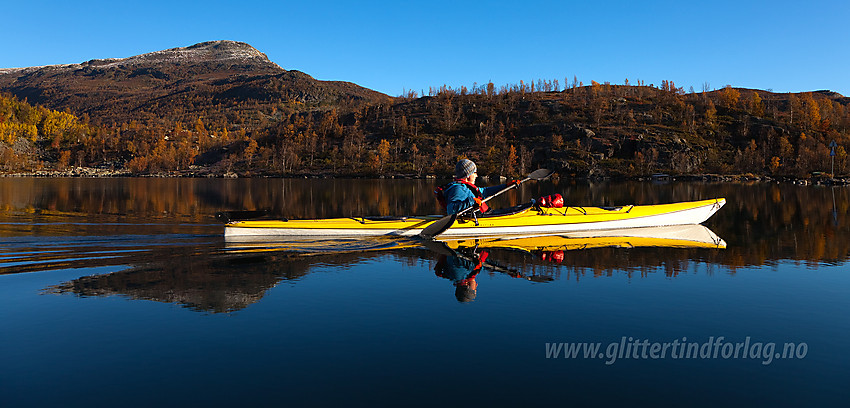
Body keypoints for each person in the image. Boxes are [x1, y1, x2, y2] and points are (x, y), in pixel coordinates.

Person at [440, 159, 519, 215]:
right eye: (475, 173)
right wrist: (472, 201)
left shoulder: (466, 187)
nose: (476, 176)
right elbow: (451, 210)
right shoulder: (458, 189)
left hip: (486, 214)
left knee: (516, 208)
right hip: (480, 217)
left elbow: (485, 191)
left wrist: (507, 186)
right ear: (468, 175)